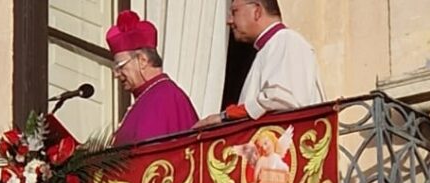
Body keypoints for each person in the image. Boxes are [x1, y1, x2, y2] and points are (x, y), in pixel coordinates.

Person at [194, 0, 325, 128]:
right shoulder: (271, 46)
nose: (229, 21)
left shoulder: (286, 41)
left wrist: (225, 116)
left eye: (234, 12)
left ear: (256, 11)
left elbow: (280, 100)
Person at [107, 10, 199, 145]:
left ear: (142, 60)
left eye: (120, 66)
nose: (116, 74)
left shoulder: (163, 98)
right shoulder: (149, 96)